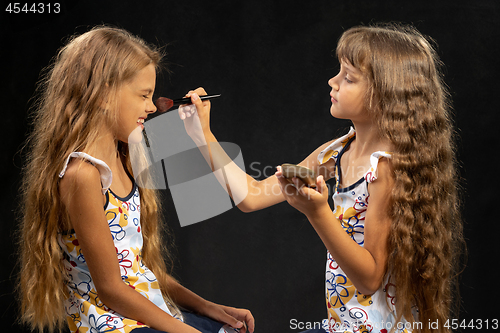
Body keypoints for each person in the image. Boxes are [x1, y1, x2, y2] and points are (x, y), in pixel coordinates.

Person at [180, 23, 464, 333]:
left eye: (349, 78)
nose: (333, 81)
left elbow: (369, 278)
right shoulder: (336, 153)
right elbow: (252, 196)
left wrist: (318, 213)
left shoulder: (386, 168)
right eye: (339, 72)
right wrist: (202, 136)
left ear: (386, 96)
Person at [17, 26, 255, 333]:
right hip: (114, 324)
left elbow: (140, 268)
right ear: (102, 94)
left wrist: (211, 309)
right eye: (144, 95)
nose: (153, 106)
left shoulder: (125, 159)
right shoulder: (82, 175)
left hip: (146, 312)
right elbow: (112, 289)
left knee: (231, 328)